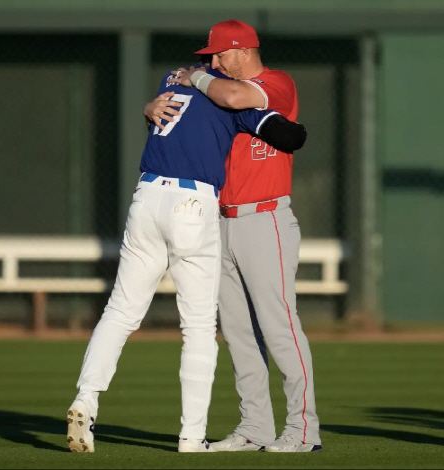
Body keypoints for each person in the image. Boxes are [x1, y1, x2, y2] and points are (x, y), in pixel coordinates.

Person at [66, 60, 307, 454]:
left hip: (146, 198)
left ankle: (86, 399)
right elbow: (288, 135)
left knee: (121, 311)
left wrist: (149, 106)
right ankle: (191, 436)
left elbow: (175, 107)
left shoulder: (171, 81)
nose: (215, 63)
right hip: (192, 204)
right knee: (196, 327)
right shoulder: (230, 95)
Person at [157, 18, 323, 453]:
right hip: (220, 219)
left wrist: (195, 76)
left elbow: (234, 95)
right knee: (237, 332)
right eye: (208, 57)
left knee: (279, 326)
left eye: (218, 53)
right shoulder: (212, 89)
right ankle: (255, 427)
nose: (212, 61)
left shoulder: (275, 82)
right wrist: (151, 105)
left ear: (243, 50)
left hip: (265, 217)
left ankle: (304, 430)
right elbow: (175, 114)